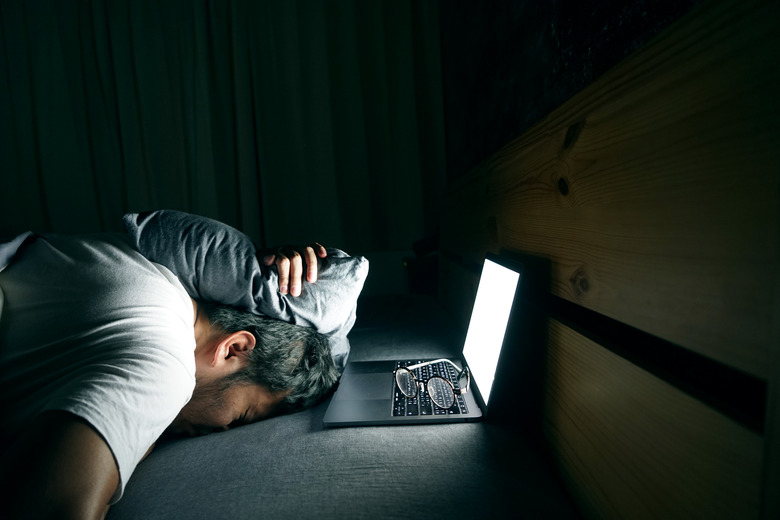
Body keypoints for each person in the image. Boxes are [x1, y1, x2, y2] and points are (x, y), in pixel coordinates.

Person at [0, 232, 338, 519]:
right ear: (233, 349)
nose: (222, 429)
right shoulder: (166, 366)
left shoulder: (144, 271)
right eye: (239, 417)